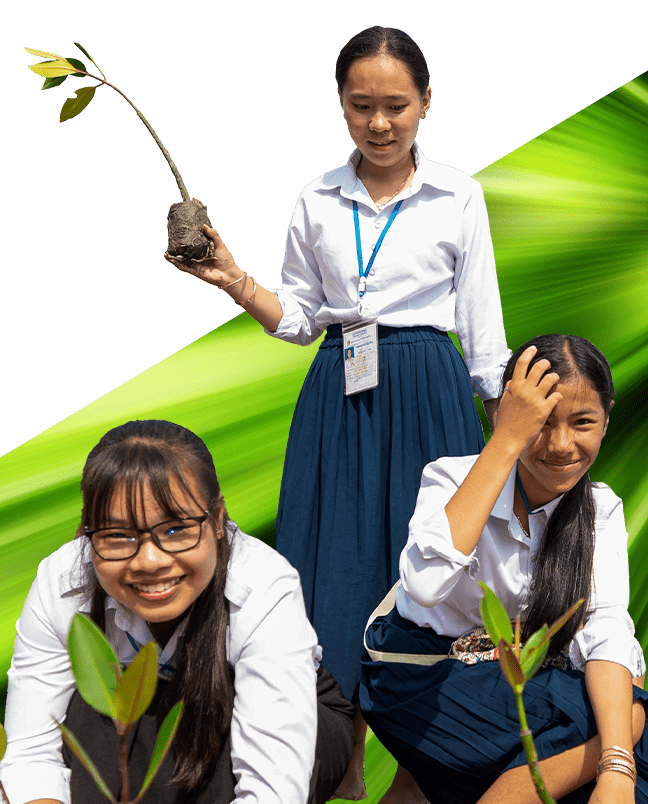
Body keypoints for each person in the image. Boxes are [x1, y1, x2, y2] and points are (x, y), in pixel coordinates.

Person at [164, 26, 509, 800]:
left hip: (430, 394)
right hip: (339, 404)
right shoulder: (318, 198)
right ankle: (338, 776)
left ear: (426, 102)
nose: (379, 123)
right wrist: (230, 278)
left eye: (395, 105)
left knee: (439, 591)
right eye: (361, 106)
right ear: (342, 106)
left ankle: (424, 782)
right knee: (336, 588)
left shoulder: (459, 194)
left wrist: (504, 452)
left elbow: (484, 332)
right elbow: (300, 316)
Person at [0, 420, 354, 804]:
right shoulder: (63, 581)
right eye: (118, 535)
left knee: (215, 754)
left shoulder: (263, 585)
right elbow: (31, 751)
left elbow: (273, 790)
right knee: (88, 714)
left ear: (217, 518)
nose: (149, 561)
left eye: (175, 530)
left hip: (265, 706)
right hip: (141, 708)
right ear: (88, 529)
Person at [359, 334, 648, 804]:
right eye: (541, 423)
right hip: (418, 677)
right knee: (617, 716)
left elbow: (606, 627)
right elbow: (427, 584)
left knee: (624, 728)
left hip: (500, 677)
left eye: (582, 423)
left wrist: (617, 765)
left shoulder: (600, 509)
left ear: (607, 418)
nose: (560, 445)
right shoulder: (451, 478)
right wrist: (507, 440)